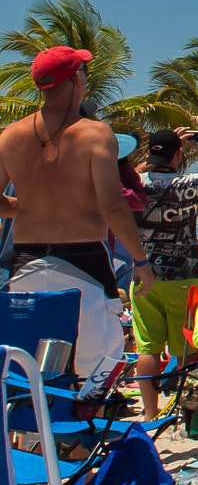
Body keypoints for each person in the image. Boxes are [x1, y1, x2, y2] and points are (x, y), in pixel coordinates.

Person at [0, 46, 154, 397]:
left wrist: (23, 206)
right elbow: (113, 206)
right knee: (95, 376)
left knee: (28, 375)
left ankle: (35, 445)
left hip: (25, 264)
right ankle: (80, 446)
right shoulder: (95, 134)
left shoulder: (10, 136)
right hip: (83, 261)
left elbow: (0, 204)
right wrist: (141, 262)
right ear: (75, 81)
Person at [133, 124, 198, 417]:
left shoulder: (136, 183)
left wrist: (162, 153)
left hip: (144, 274)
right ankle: (182, 409)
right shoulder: (186, 184)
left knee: (148, 348)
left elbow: (124, 173)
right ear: (178, 154)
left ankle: (149, 412)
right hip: (183, 274)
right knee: (185, 347)